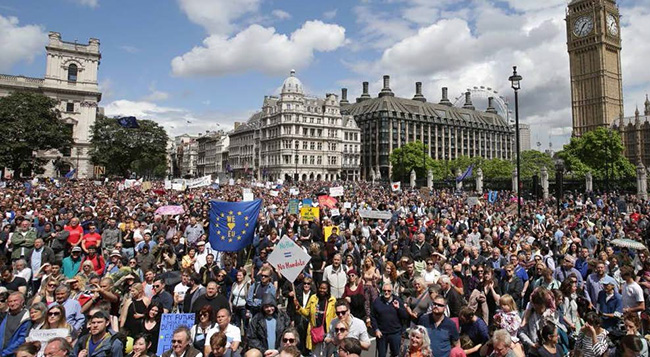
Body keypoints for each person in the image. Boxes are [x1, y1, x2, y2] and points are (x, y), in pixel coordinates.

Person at [371, 282, 408, 357]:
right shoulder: (377, 301)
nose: (386, 292)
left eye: (388, 291)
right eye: (384, 291)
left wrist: (398, 308)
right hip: (381, 333)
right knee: (381, 355)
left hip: (395, 333)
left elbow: (405, 316)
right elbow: (373, 317)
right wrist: (376, 329)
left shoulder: (397, 300)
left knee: (395, 354)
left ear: (392, 291)